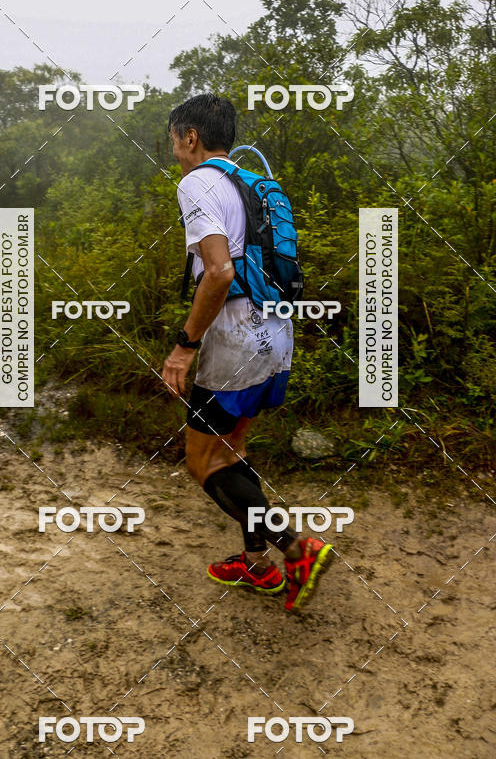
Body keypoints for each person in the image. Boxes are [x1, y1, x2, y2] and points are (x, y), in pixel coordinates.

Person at [162, 93, 333, 612]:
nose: (173, 149)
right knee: (232, 451)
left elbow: (218, 272)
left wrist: (183, 349)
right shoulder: (251, 182)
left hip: (234, 337)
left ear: (190, 138)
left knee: (201, 462)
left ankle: (298, 550)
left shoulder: (196, 182)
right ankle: (256, 564)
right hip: (276, 334)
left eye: (173, 139)